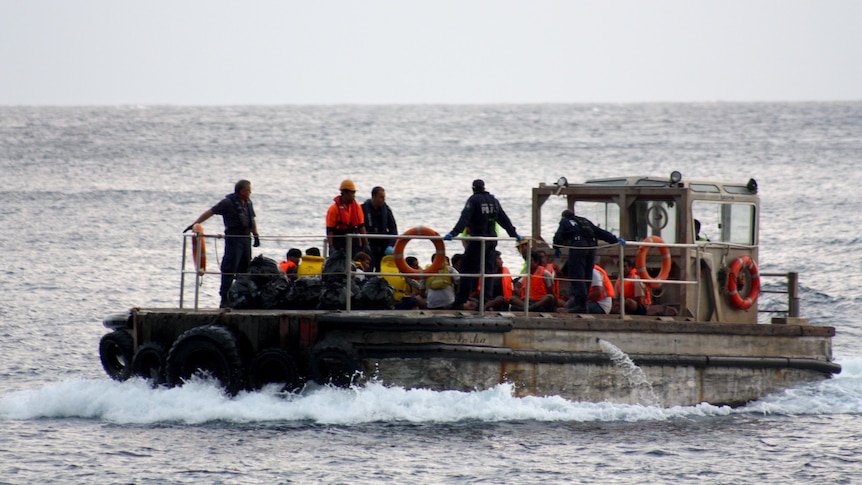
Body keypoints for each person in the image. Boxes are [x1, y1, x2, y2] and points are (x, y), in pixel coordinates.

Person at [443, 179, 521, 310]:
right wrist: (514, 234)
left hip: (477, 240)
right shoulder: (493, 201)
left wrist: (453, 233)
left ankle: (460, 301)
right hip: (491, 241)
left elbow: (465, 218)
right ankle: (485, 302)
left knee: (466, 269)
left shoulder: (473, 200)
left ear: (473, 188)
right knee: (488, 271)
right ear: (484, 187)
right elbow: (504, 219)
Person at [184, 179, 259, 307]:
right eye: (248, 190)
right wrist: (195, 224)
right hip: (233, 239)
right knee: (229, 268)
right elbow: (211, 212)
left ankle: (240, 297)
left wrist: (256, 235)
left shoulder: (248, 203)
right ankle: (224, 298)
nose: (250, 192)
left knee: (244, 268)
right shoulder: (227, 203)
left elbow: (252, 219)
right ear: (241, 191)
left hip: (246, 239)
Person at [553, 208, 624, 313]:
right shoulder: (584, 221)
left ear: (563, 217)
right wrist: (615, 240)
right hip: (592, 247)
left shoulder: (565, 222)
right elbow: (600, 232)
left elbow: (558, 236)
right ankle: (583, 304)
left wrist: (556, 247)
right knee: (587, 274)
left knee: (577, 274)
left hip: (579, 246)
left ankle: (580, 304)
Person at [326, 180, 369, 257]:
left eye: (354, 193)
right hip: (339, 240)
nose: (353, 195)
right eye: (352, 193)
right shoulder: (333, 209)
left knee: (354, 264)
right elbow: (330, 230)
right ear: (344, 193)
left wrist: (366, 243)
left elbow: (361, 226)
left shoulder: (357, 207)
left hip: (354, 240)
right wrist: (331, 247)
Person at [361, 186, 398, 272]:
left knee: (381, 272)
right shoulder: (362, 209)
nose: (383, 199)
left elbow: (393, 229)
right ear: (374, 197)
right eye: (381, 197)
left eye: (384, 197)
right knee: (368, 271)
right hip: (368, 245)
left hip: (382, 246)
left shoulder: (386, 210)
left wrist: (390, 245)